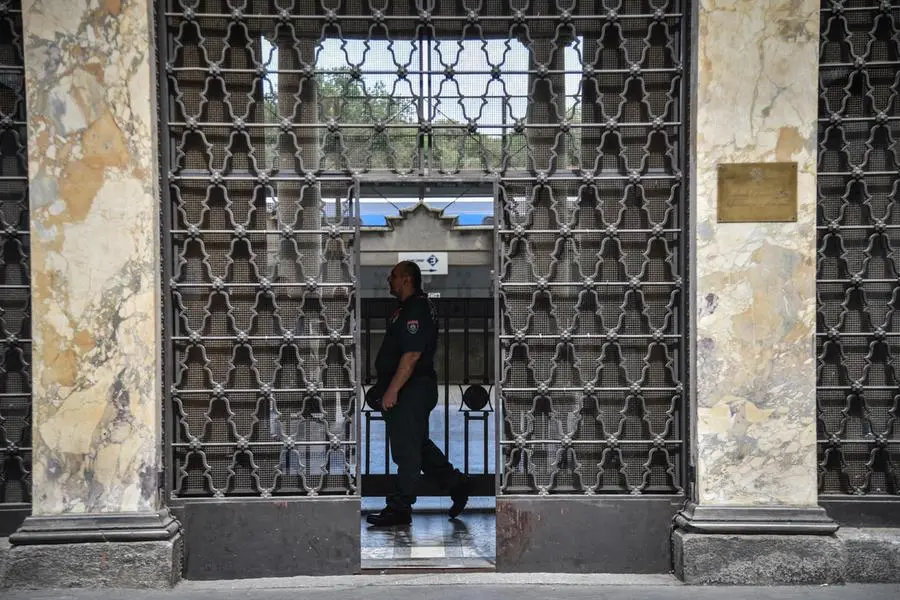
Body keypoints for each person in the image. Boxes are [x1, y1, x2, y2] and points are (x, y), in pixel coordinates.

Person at [366, 261, 470, 527]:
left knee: (407, 452)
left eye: (394, 276)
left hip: (410, 390)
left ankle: (400, 508)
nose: (389, 279)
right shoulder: (409, 308)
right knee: (418, 446)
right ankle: (456, 483)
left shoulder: (416, 309)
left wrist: (392, 390)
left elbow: (412, 354)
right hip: (411, 388)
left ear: (407, 279)